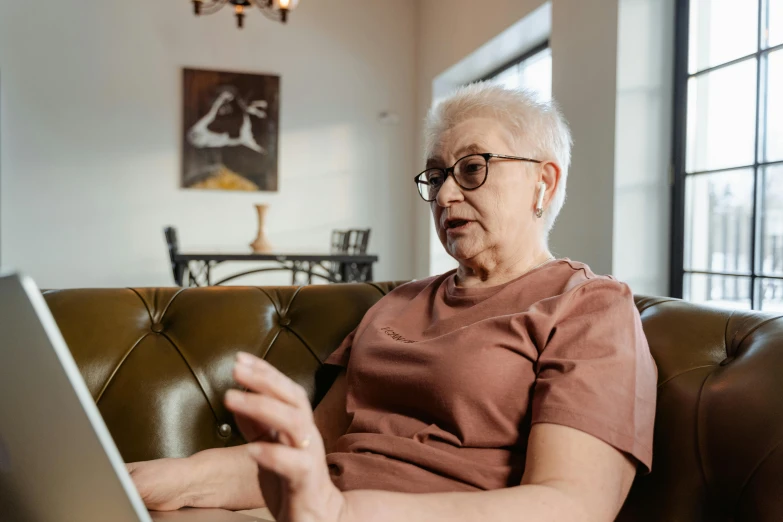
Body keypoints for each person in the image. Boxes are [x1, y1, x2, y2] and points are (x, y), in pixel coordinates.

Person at [128, 83, 657, 522]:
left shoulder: (589, 307)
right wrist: (163, 480)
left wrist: (340, 513)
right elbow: (309, 452)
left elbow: (572, 506)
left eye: (472, 168)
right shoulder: (398, 303)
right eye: (437, 175)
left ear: (543, 182)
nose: (446, 195)